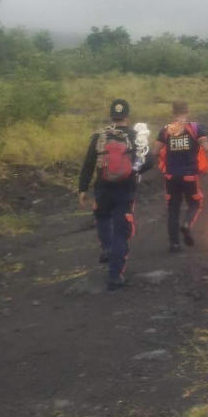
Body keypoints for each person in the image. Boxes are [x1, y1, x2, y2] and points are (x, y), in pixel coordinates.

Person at [78, 98, 153, 291]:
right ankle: (115, 276)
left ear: (112, 116)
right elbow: (149, 161)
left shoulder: (100, 136)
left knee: (102, 216)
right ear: (127, 116)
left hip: (102, 188)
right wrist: (134, 170)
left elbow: (88, 164)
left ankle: (107, 247)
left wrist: (83, 189)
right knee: (122, 231)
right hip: (125, 189)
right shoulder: (136, 137)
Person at [152, 101, 208, 253]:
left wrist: (165, 159)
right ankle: (187, 224)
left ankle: (174, 244)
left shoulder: (165, 130)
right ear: (187, 111)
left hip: (171, 176)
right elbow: (207, 150)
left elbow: (155, 152)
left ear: (173, 112)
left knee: (173, 209)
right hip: (190, 176)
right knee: (195, 203)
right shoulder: (195, 128)